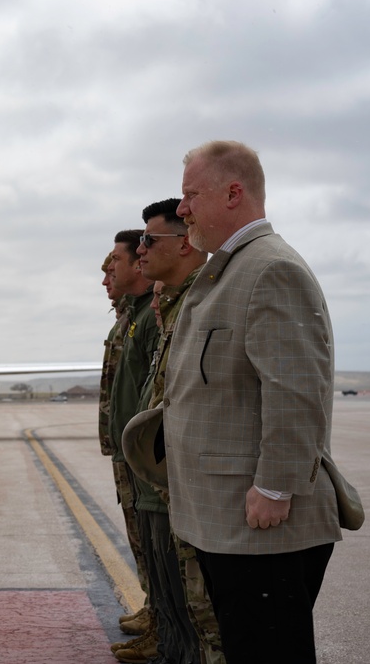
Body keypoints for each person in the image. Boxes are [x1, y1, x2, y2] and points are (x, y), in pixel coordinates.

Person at [163, 141, 340, 664]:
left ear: (233, 193)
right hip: (229, 522)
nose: (182, 209)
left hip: (262, 526)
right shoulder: (231, 268)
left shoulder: (269, 270)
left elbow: (297, 391)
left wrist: (275, 486)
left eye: (191, 195)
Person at [131, 199, 221, 664]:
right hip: (165, 486)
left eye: (148, 240)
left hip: (190, 491)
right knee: (181, 614)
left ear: (184, 243)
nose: (141, 250)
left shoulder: (201, 301)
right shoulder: (173, 304)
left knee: (204, 620)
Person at [106, 230, 160, 662]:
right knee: (141, 540)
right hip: (129, 450)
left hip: (144, 453)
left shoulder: (150, 316)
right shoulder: (132, 317)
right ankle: (154, 612)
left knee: (153, 541)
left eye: (113, 264)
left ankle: (160, 623)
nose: (107, 275)